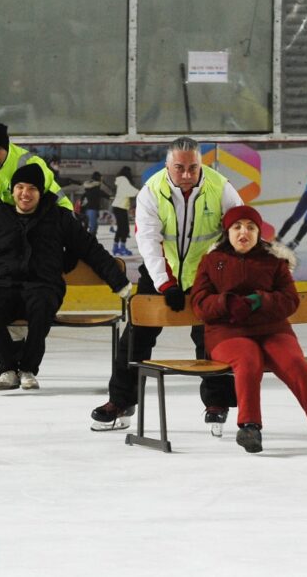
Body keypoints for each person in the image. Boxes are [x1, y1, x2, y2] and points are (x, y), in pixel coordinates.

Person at [0, 163, 132, 391]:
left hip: (42, 285)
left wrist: (118, 281)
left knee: (42, 306)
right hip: (0, 285)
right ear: (12, 191)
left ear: (40, 192)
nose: (25, 193)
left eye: (32, 188)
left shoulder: (59, 218)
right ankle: (7, 370)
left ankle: (28, 369)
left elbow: (90, 249)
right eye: (20, 187)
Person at [90, 137, 243, 432]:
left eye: (193, 167)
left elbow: (238, 228)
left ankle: (217, 402)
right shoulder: (152, 190)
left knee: (214, 337)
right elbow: (148, 240)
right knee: (135, 338)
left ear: (202, 164)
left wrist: (217, 271)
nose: (186, 174)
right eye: (179, 168)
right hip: (162, 274)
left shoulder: (220, 187)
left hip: (207, 275)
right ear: (167, 166)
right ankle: (121, 400)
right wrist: (165, 284)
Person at [190, 205, 307, 453]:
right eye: (237, 227)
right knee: (247, 361)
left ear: (259, 232)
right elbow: (199, 303)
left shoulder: (273, 261)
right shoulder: (211, 261)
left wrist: (261, 300)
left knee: (292, 360)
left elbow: (290, 300)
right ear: (227, 232)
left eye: (251, 227)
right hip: (228, 333)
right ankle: (249, 426)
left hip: (272, 329)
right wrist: (226, 303)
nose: (243, 232)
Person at [0, 121, 72, 378]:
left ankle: (4, 354)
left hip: (28, 240)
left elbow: (58, 203)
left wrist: (64, 241)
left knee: (12, 292)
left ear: (7, 148)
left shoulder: (28, 162)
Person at [110, 166, 138, 256]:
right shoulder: (123, 180)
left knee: (122, 229)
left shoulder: (121, 180)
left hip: (119, 207)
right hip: (120, 207)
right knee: (124, 229)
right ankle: (121, 248)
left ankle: (116, 248)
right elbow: (129, 191)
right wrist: (140, 191)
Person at [79, 171, 112, 238]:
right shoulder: (96, 189)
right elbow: (108, 194)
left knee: (91, 227)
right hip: (92, 209)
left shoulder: (88, 189)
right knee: (93, 228)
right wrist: (104, 183)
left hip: (87, 209)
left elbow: (82, 200)